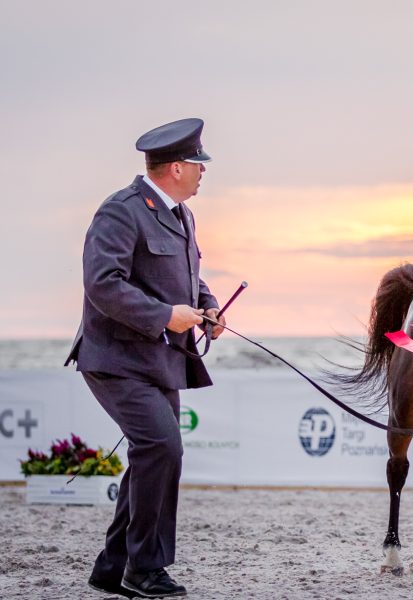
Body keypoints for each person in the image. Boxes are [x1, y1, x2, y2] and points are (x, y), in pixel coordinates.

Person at [65, 117, 226, 598]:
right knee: (161, 448)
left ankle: (112, 567)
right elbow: (102, 284)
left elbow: (186, 276)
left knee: (152, 454)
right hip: (114, 360)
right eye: (198, 163)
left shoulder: (182, 215)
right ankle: (145, 570)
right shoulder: (121, 211)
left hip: (160, 361)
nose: (203, 170)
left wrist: (207, 306)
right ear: (176, 167)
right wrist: (164, 316)